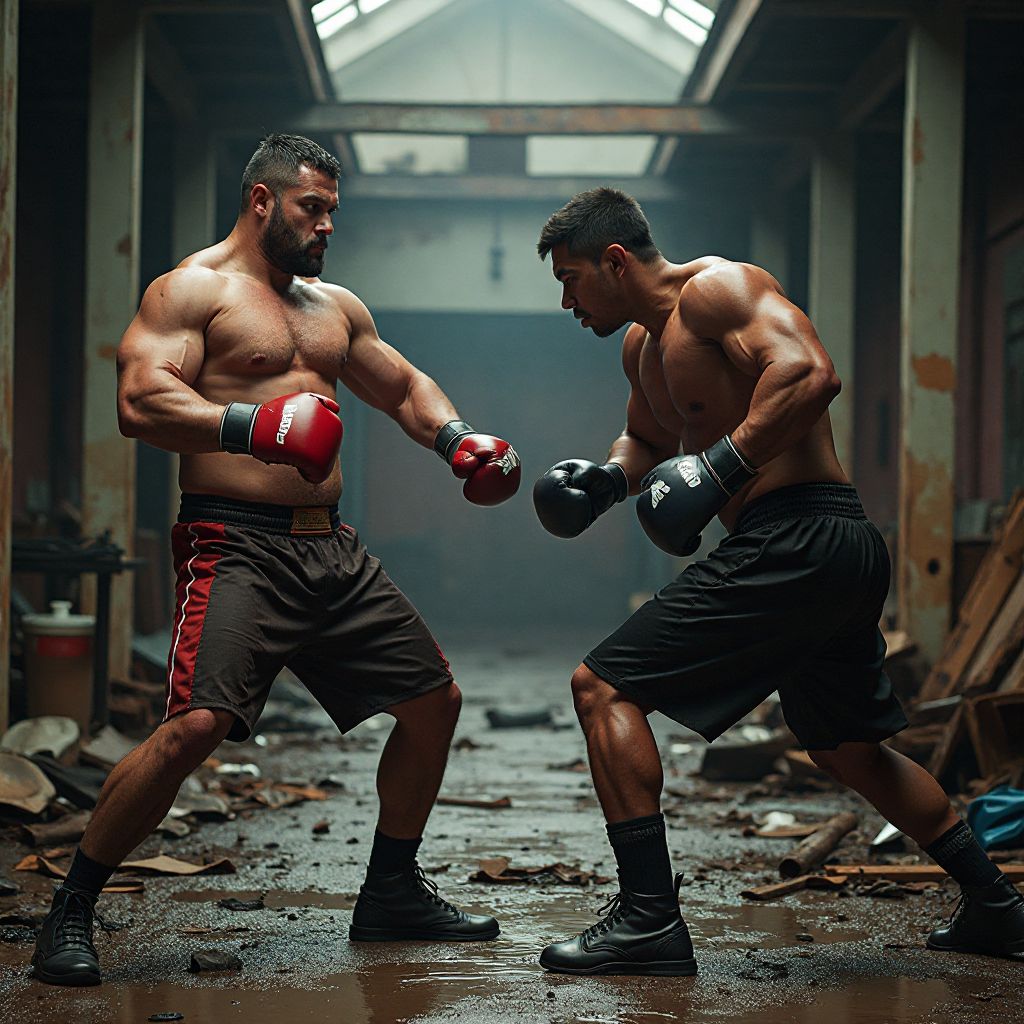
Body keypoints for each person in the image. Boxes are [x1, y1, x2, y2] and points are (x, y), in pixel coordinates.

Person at [31, 134, 521, 986]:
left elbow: (403, 386)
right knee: (195, 727)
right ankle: (71, 907)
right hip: (236, 544)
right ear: (262, 200)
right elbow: (141, 401)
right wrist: (250, 425)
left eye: (333, 210)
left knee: (432, 702)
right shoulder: (191, 290)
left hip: (329, 546)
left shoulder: (334, 307)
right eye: (312, 208)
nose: (327, 225)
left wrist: (457, 440)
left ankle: (391, 892)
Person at [531, 187, 1024, 976]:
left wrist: (722, 466)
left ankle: (649, 919)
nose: (566, 302)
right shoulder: (643, 348)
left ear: (615, 260)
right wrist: (606, 480)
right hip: (820, 549)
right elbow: (647, 438)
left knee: (603, 689)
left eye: (571, 279)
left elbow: (809, 374)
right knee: (849, 751)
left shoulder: (720, 290)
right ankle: (997, 906)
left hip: (803, 532)